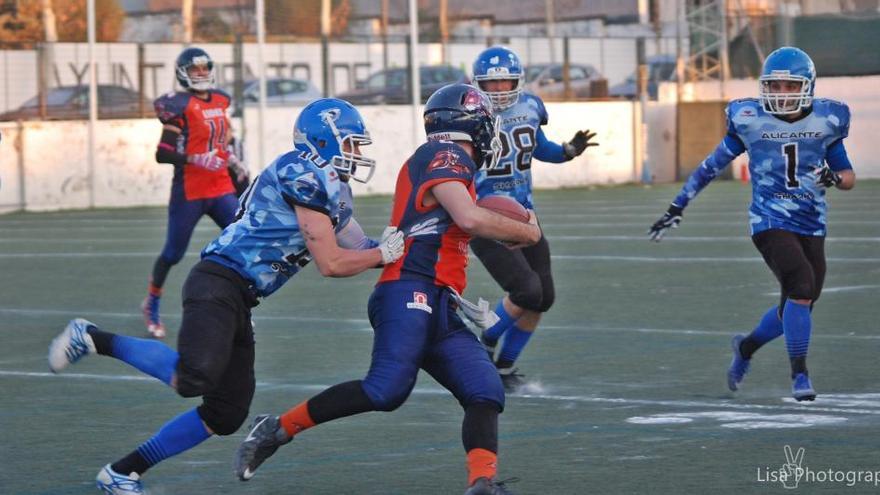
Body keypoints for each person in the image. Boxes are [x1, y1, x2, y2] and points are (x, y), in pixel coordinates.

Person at [46, 98, 405, 494]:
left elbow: (361, 245)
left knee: (226, 413)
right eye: (351, 143)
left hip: (241, 295)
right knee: (194, 377)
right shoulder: (301, 172)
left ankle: (121, 472)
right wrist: (382, 254)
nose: (356, 153)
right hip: (218, 281)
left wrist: (398, 246)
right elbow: (332, 262)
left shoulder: (334, 189)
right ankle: (92, 337)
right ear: (324, 141)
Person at [233, 84, 543, 495]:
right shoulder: (443, 154)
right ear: (472, 125)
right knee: (386, 389)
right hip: (407, 291)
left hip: (438, 300)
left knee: (484, 390)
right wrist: (527, 231)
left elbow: (460, 224)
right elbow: (469, 218)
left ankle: (482, 484)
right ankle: (276, 429)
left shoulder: (450, 162)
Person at [648, 46, 856, 401]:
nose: (782, 94)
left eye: (791, 87)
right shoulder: (749, 119)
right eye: (775, 86)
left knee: (798, 302)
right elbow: (710, 167)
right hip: (769, 219)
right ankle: (800, 376)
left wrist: (834, 179)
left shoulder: (827, 119)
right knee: (802, 288)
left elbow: (848, 175)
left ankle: (745, 347)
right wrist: (677, 205)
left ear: (807, 86)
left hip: (812, 220)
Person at [468, 45, 599, 391]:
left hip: (525, 215)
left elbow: (540, 147)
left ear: (518, 81)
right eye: (490, 84)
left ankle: (504, 368)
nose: (498, 90)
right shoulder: (465, 116)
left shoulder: (529, 107)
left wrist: (568, 151)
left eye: (505, 82)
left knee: (544, 297)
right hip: (484, 218)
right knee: (525, 290)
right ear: (477, 84)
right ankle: (486, 341)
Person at [143, 46, 251, 339]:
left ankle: (240, 307)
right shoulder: (178, 106)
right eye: (195, 69)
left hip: (219, 186)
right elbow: (162, 153)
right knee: (173, 253)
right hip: (190, 190)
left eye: (204, 68)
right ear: (183, 73)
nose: (201, 73)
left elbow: (224, 138)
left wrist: (231, 159)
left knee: (242, 243)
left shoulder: (219, 100)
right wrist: (195, 158)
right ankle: (152, 301)